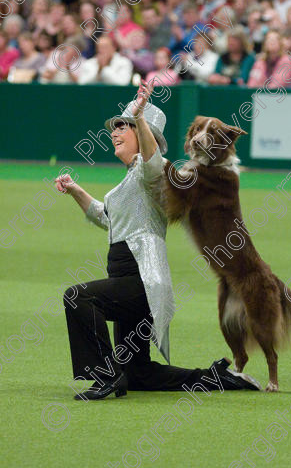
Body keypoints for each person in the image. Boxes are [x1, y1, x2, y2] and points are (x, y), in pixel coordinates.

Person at [55, 81, 261, 400]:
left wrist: (138, 113)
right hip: (130, 282)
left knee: (78, 297)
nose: (115, 131)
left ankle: (105, 375)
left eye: (124, 126)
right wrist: (75, 191)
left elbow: (153, 160)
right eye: (116, 126)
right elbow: (106, 218)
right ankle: (218, 378)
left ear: (142, 132)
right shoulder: (131, 180)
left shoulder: (153, 171)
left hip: (142, 281)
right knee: (138, 372)